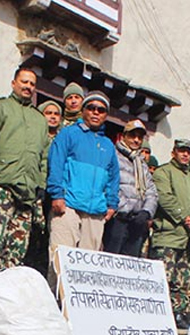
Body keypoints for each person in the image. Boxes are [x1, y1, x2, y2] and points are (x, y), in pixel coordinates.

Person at [0, 67, 50, 276]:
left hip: (27, 192)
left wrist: (40, 185)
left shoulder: (39, 120)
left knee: (17, 245)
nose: (28, 87)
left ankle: (8, 286)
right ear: (14, 83)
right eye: (24, 82)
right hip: (2, 185)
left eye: (32, 84)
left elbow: (44, 156)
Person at [47, 91, 119, 273]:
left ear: (105, 115)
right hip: (68, 206)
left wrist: (112, 204)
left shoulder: (108, 145)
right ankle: (56, 301)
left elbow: (113, 177)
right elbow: (55, 164)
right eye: (91, 108)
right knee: (61, 261)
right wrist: (56, 195)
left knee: (87, 269)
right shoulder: (68, 134)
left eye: (101, 110)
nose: (96, 112)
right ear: (83, 110)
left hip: (95, 212)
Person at [151, 139, 190, 329]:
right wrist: (184, 217)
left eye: (188, 152)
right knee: (162, 279)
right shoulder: (163, 172)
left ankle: (178, 314)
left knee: (181, 282)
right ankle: (157, 314)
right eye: (181, 151)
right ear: (173, 152)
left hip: (188, 239)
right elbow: (164, 197)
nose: (185, 155)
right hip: (169, 235)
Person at [103, 119, 157, 257]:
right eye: (133, 136)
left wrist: (146, 212)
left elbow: (151, 191)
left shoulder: (142, 163)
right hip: (118, 218)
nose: (136, 140)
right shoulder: (113, 156)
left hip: (136, 222)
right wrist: (124, 207)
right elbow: (109, 184)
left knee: (130, 265)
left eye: (140, 137)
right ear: (124, 136)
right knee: (111, 260)